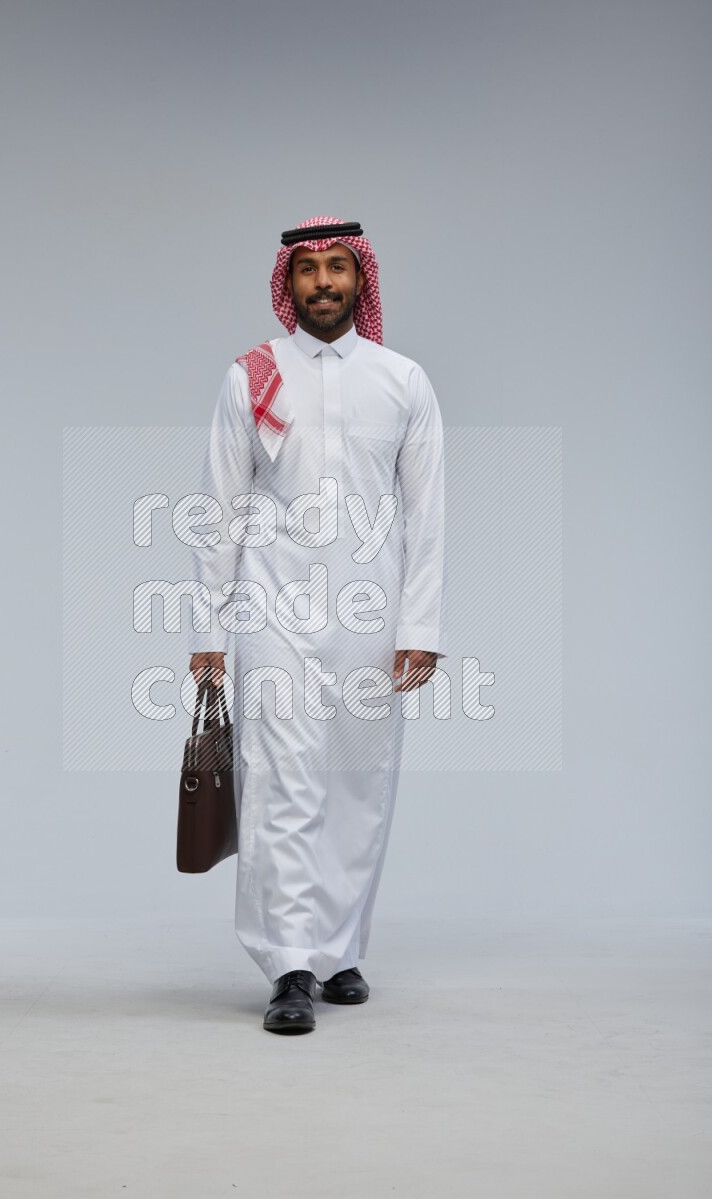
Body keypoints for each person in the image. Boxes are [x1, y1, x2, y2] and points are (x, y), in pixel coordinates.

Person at [187, 216, 447, 1034]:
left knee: (359, 784)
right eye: (309, 271)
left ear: (360, 280)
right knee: (280, 780)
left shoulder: (404, 380)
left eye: (339, 268)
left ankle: (339, 954)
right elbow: (219, 509)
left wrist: (422, 624)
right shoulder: (253, 376)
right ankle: (290, 963)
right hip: (273, 609)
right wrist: (208, 631)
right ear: (288, 283)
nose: (324, 283)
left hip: (372, 615)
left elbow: (426, 514)